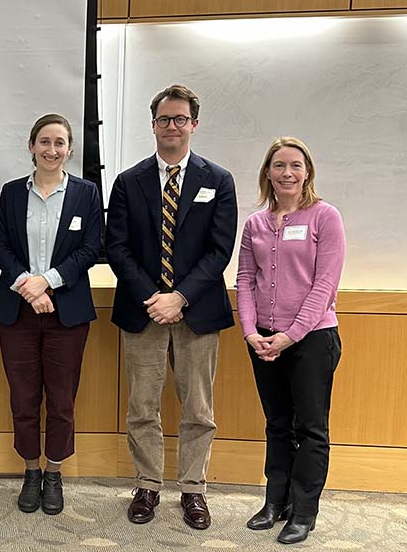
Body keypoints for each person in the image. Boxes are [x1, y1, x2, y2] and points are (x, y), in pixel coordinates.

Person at [105, 84, 237, 530]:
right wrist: (155, 298)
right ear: (153, 125)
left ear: (194, 124)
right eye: (164, 119)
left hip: (196, 311)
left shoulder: (218, 180)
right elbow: (117, 247)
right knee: (142, 406)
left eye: (180, 119)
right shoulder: (129, 181)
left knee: (198, 408)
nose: (172, 126)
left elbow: (220, 250)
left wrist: (179, 297)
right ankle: (147, 485)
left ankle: (194, 489)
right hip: (143, 310)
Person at [0, 114, 103, 515]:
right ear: (31, 146)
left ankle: (54, 473)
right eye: (44, 142)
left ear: (69, 150)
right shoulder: (12, 192)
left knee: (62, 400)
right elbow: (0, 244)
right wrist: (27, 285)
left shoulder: (86, 193)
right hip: (17, 311)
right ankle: (31, 471)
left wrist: (47, 282)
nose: (51, 150)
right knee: (23, 399)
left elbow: (91, 248)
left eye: (59, 143)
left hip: (66, 313)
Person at [237, 136, 344, 545]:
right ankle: (274, 502)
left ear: (307, 172)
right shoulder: (255, 224)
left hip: (312, 339)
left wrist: (290, 335)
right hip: (263, 341)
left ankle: (303, 512)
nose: (287, 173)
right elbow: (245, 280)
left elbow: (325, 285)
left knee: (311, 428)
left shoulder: (324, 217)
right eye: (279, 165)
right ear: (268, 173)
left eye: (295, 165)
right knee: (277, 424)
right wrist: (251, 332)